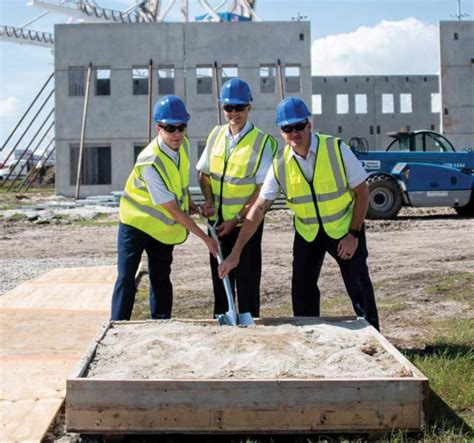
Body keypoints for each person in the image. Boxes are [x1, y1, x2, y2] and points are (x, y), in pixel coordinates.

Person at [219, 96, 380, 330]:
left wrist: (353, 234)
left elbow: (362, 193)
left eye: (299, 126)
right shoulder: (280, 164)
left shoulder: (335, 149)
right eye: (287, 128)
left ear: (309, 124)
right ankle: (309, 334)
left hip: (344, 229)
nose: (294, 132)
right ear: (281, 132)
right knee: (302, 290)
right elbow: (259, 209)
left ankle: (375, 336)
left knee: (358, 285)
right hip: (307, 234)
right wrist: (235, 253)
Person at [111, 95, 217, 321]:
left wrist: (192, 206)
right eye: (171, 128)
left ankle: (161, 323)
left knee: (161, 278)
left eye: (181, 127)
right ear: (158, 127)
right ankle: (117, 326)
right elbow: (172, 209)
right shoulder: (149, 161)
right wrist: (205, 239)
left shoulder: (183, 146)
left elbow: (179, 186)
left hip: (161, 229)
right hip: (135, 225)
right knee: (126, 278)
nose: (177, 134)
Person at [197, 78, 277, 319]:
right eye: (229, 108)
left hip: (246, 225)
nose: (234, 113)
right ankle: (223, 327)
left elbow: (262, 190)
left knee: (247, 283)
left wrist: (237, 217)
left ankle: (249, 325)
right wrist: (209, 201)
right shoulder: (216, 135)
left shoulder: (263, 143)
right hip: (219, 226)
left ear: (249, 107)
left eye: (239, 108)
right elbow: (204, 173)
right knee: (221, 281)